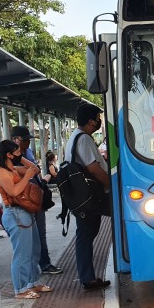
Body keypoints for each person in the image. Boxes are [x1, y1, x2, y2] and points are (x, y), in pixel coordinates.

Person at [0, 140, 53, 299]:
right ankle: (20, 289)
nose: (20, 153)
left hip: (25, 212)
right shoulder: (1, 172)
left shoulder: (13, 168)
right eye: (17, 151)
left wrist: (20, 159)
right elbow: (13, 191)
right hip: (14, 214)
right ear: (8, 154)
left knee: (34, 249)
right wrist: (26, 176)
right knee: (22, 253)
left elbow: (35, 169)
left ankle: (32, 282)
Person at [65, 103, 111, 291]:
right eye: (98, 118)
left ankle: (88, 276)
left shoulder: (75, 137)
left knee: (86, 234)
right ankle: (87, 278)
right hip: (91, 195)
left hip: (84, 196)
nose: (99, 121)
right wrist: (111, 184)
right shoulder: (83, 139)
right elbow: (93, 168)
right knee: (85, 235)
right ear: (91, 121)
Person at [11, 125, 62, 275]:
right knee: (25, 239)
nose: (27, 144)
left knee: (40, 233)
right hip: (21, 201)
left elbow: (36, 171)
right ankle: (28, 274)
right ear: (14, 140)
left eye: (28, 140)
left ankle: (43, 263)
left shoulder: (27, 152)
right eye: (24, 140)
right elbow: (24, 173)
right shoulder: (7, 155)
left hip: (35, 197)